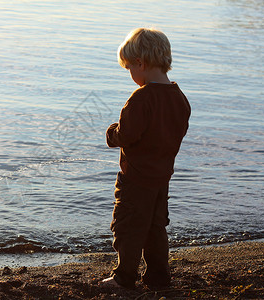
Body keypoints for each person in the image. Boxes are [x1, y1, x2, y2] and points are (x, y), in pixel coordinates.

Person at [101, 28, 191, 289]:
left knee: (127, 226)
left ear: (140, 63)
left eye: (129, 67)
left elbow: (127, 135)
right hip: (161, 177)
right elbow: (176, 132)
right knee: (155, 228)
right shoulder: (179, 98)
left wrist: (112, 133)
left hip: (136, 178)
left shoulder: (141, 99)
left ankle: (124, 277)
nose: (130, 74)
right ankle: (158, 277)